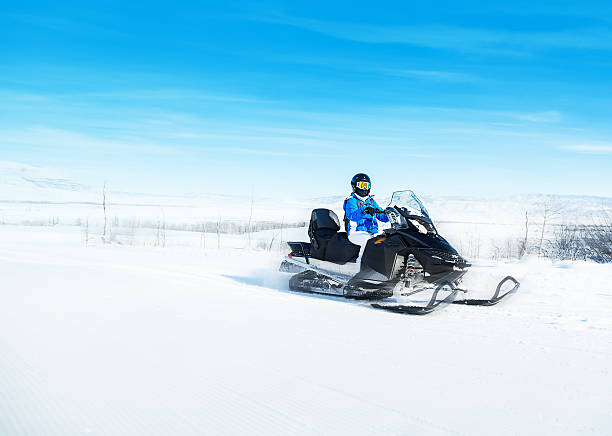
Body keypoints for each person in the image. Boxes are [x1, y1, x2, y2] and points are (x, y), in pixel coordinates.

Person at [343, 173, 389, 262]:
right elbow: (352, 216)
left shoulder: (371, 201)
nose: (364, 188)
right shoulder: (351, 200)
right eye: (361, 185)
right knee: (368, 242)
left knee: (388, 241)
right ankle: (361, 268)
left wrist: (391, 213)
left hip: (373, 232)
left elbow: (381, 216)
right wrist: (364, 209)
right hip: (356, 232)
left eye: (366, 185)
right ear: (354, 186)